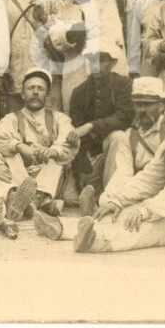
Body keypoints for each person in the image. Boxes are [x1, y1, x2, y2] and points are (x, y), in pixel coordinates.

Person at [33, 81, 165, 254]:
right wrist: (118, 201)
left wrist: (145, 210)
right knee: (120, 213)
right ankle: (62, 229)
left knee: (153, 226)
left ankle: (99, 241)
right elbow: (150, 178)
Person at [0, 68, 80, 217]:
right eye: (31, 88)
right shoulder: (11, 118)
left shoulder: (59, 118)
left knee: (55, 158)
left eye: (41, 89)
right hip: (21, 176)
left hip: (49, 178)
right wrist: (19, 146)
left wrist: (52, 151)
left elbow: (69, 140)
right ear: (23, 94)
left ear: (47, 94)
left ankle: (36, 200)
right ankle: (41, 204)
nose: (36, 92)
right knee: (11, 154)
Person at [68, 39, 134, 206]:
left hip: (120, 153)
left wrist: (91, 125)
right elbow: (76, 135)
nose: (95, 66)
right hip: (93, 157)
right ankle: (96, 192)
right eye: (91, 60)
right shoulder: (79, 92)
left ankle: (113, 195)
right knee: (73, 197)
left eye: (101, 60)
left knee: (117, 137)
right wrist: (82, 169)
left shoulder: (123, 84)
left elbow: (124, 117)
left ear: (113, 63)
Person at [3, 0, 60, 115]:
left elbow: (61, 35)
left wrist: (44, 18)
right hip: (15, 75)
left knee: (48, 124)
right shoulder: (1, 0)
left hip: (46, 74)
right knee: (16, 125)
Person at [44, 0, 99, 112]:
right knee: (73, 114)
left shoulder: (101, 5)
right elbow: (56, 37)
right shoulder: (64, 9)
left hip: (98, 69)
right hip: (73, 70)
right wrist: (70, 36)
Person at [102, 77, 165, 192]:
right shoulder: (129, 135)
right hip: (140, 186)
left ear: (161, 105)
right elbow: (124, 172)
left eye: (148, 104)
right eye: (138, 104)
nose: (142, 110)